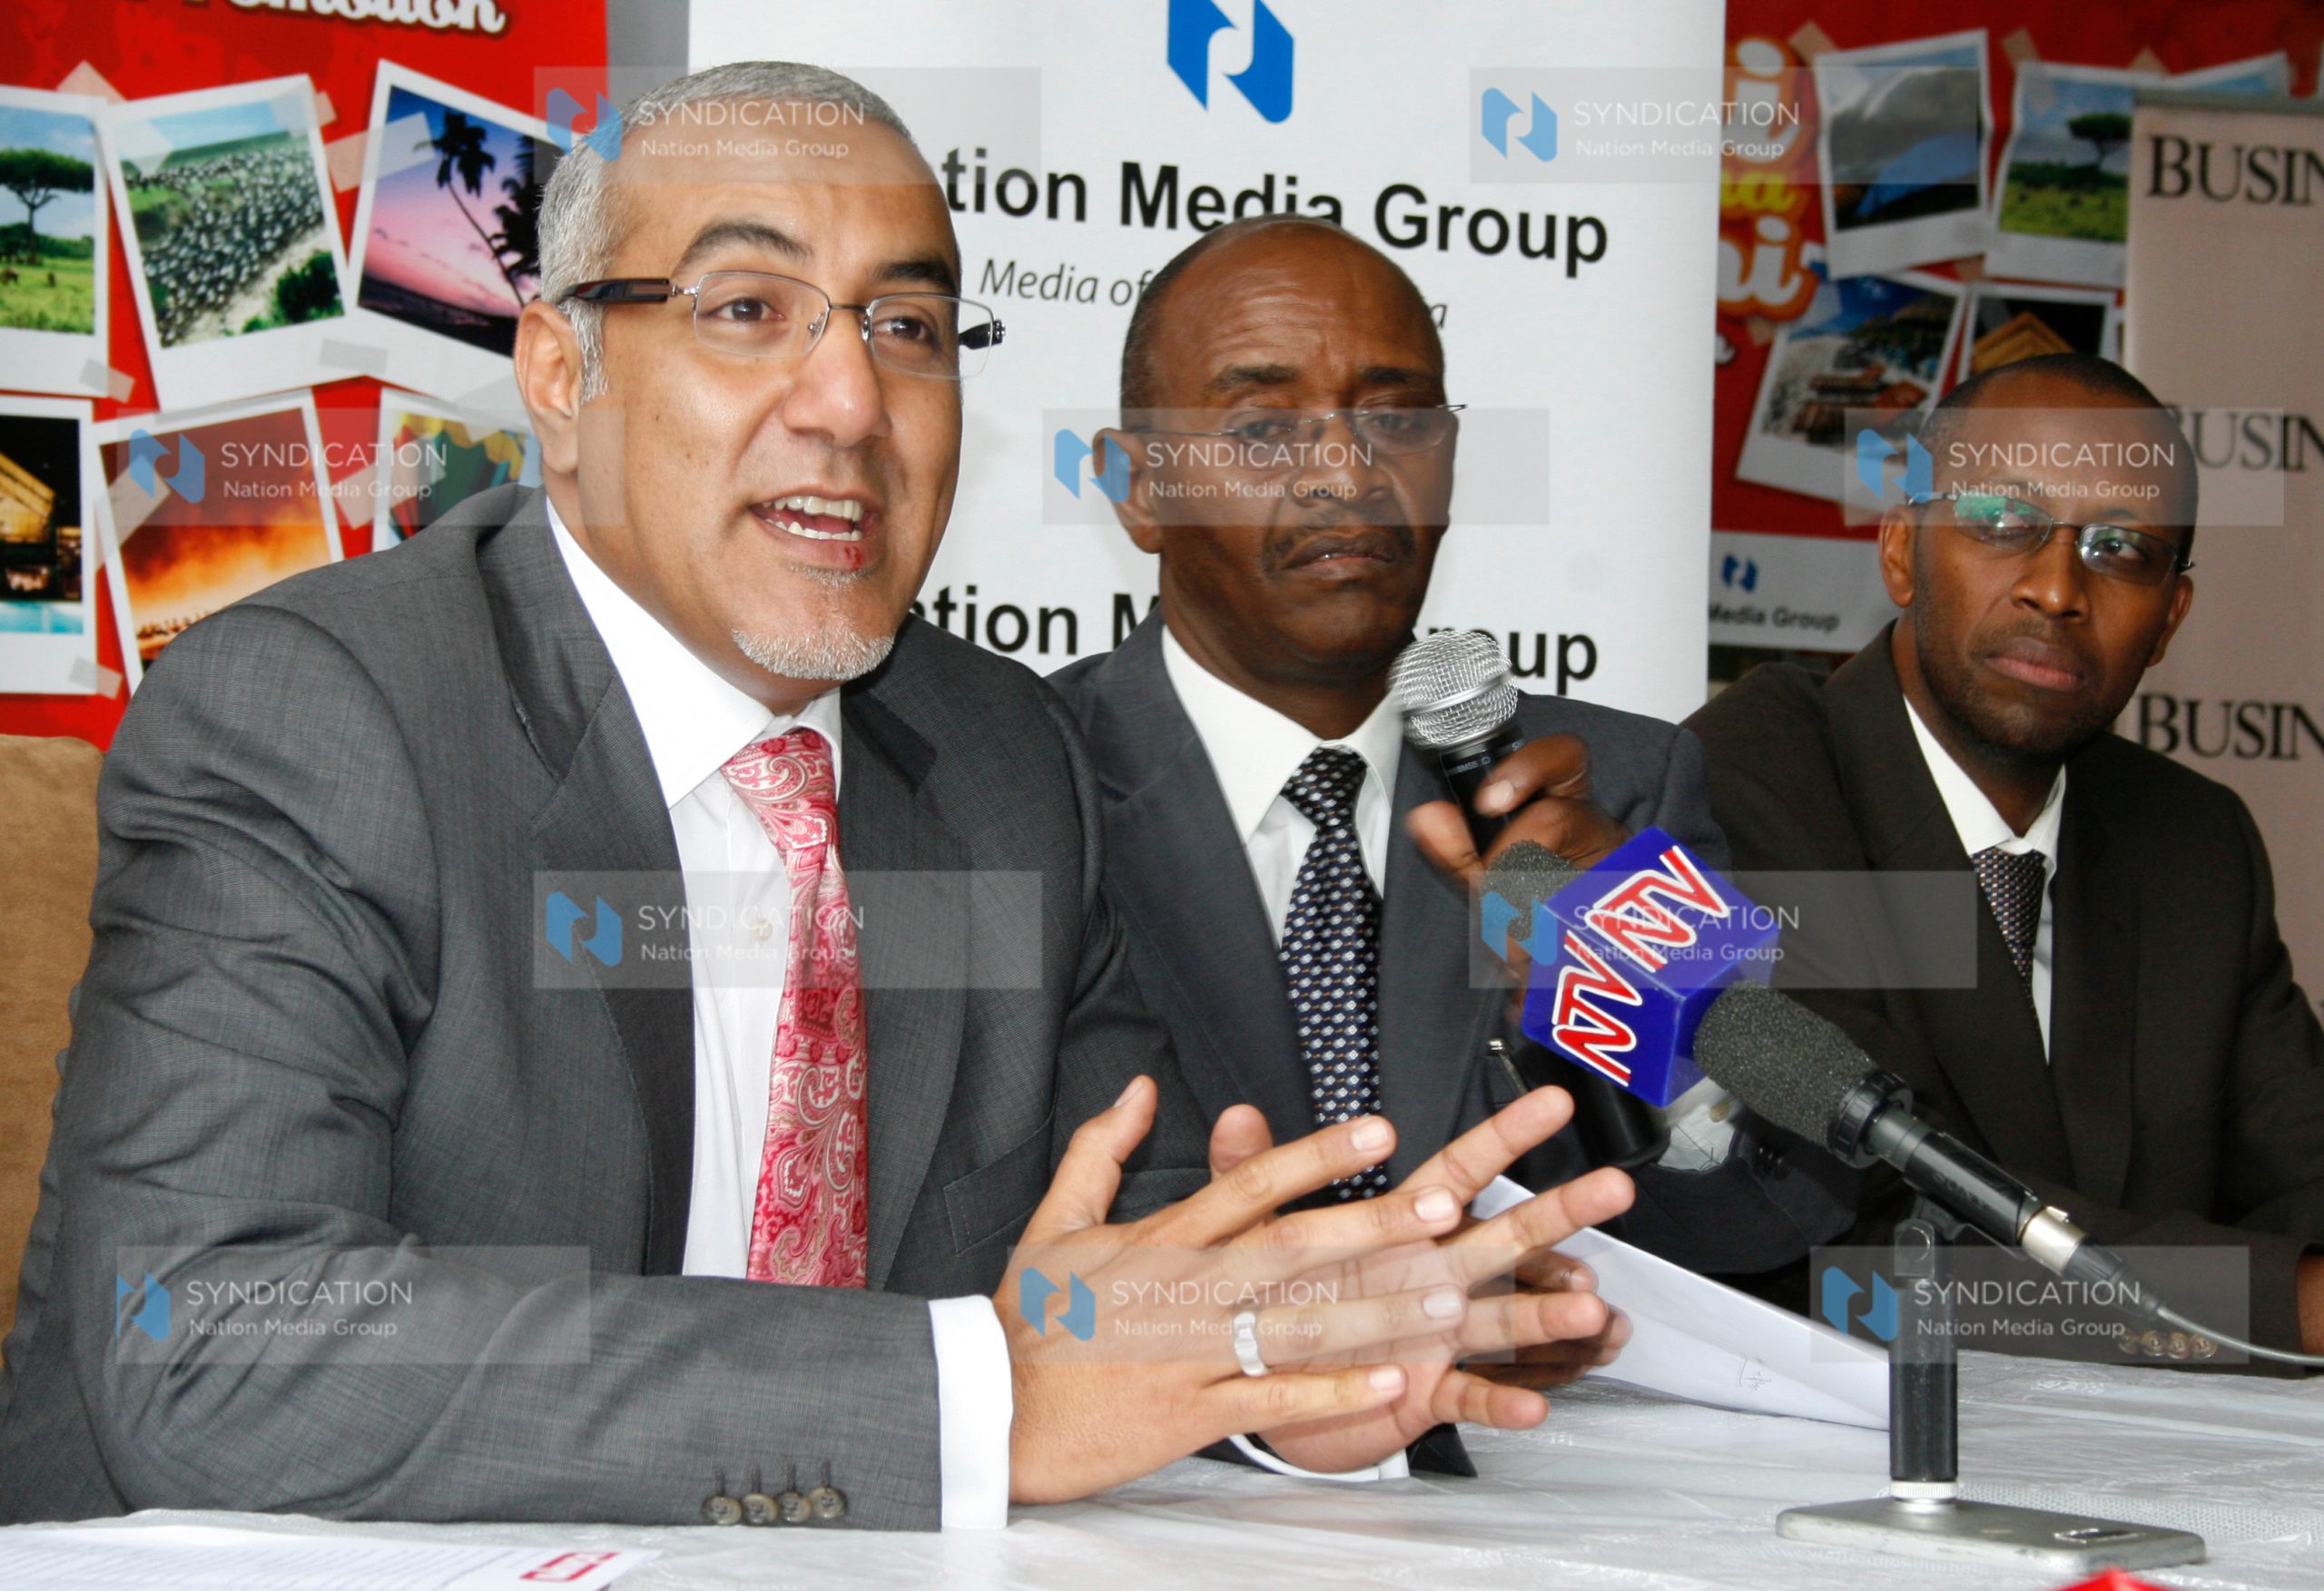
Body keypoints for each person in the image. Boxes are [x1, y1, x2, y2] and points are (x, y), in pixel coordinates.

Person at [0, 64, 1637, 1528]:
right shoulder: (320, 713)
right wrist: (968, 1395)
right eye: (744, 310)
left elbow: (1124, 1241)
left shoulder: (1004, 761)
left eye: (906, 328)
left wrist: (1298, 1358)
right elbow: (205, 1328)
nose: (850, 403)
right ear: (562, 377)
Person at [1049, 218, 1855, 1341]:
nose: (1345, 470)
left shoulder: (1614, 787)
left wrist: (1652, 986)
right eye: (1264, 424)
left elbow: (1760, 1220)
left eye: (1396, 419)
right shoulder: (1026, 789)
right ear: (1137, 489)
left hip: (1538, 1475)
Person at [1686, 354, 2324, 1360]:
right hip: (1840, 1454)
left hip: (2157, 1471)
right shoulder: (1746, 779)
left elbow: (2300, 1170)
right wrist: (2282, 1304)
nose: (2057, 587)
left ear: (2169, 620)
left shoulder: (2193, 841)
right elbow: (1881, 1214)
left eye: (2121, 549)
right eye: (2000, 523)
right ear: (1900, 549)